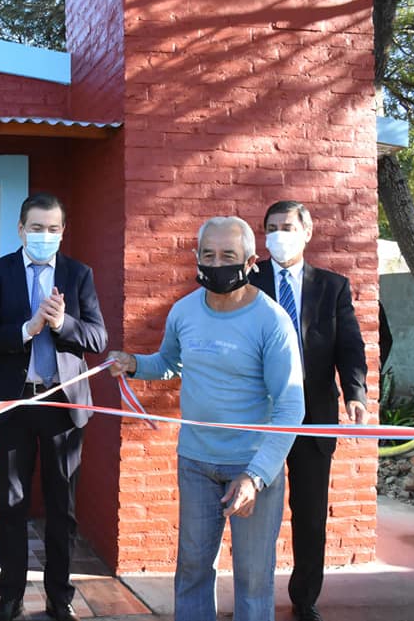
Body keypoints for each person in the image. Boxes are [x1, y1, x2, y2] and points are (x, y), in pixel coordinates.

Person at [108, 216, 305, 621]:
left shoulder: (272, 321)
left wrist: (256, 476)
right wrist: (133, 364)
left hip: (252, 468)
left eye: (228, 256)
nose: (217, 264)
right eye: (208, 255)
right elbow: (169, 363)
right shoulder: (183, 312)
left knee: (253, 579)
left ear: (250, 262)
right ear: (196, 258)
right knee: (193, 572)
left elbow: (291, 406)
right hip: (196, 462)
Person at [0, 193, 107, 621]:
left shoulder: (78, 274)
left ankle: (59, 596)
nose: (44, 235)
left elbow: (97, 338)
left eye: (52, 229)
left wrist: (61, 324)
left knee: (61, 507)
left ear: (62, 232)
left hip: (62, 406)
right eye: (36, 228)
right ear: (20, 229)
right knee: (12, 503)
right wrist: (28, 329)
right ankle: (11, 595)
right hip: (13, 403)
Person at [248, 201, 368, 621]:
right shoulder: (248, 280)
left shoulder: (332, 287)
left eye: (287, 226)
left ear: (307, 232)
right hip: (259, 415)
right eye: (272, 228)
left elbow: (349, 346)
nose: (279, 235)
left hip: (313, 414)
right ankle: (253, 595)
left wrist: (355, 393)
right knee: (253, 510)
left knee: (311, 514)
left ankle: (304, 598)